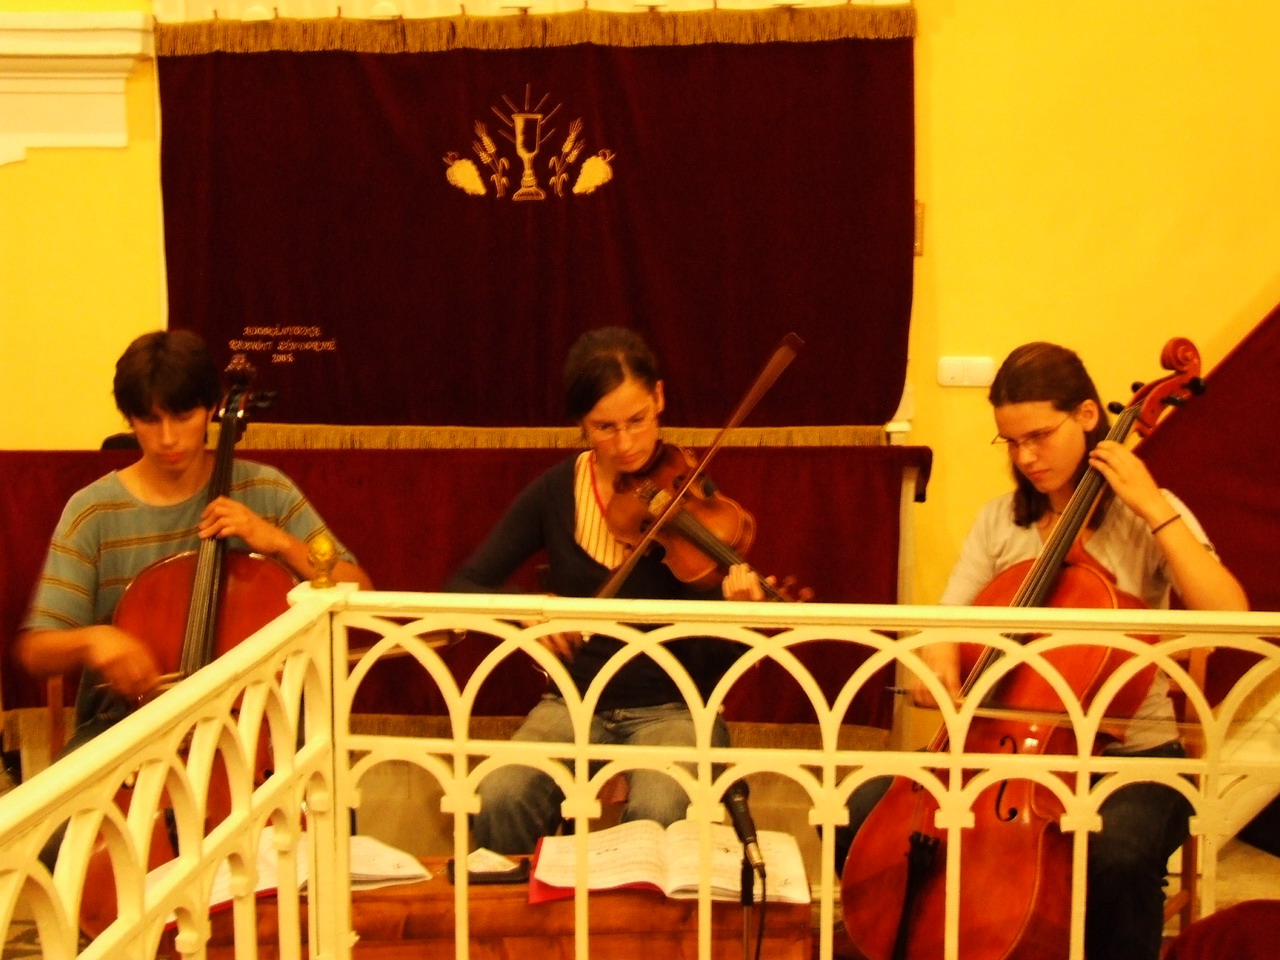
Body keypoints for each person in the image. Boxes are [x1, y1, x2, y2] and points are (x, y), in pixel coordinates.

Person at [838, 342, 1248, 960]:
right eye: (1010, 443)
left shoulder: (1148, 516)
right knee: (861, 809)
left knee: (1117, 855)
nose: (1025, 457)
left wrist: (1153, 507)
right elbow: (946, 621)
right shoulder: (1000, 521)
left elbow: (1232, 620)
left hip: (1132, 759)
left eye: (1038, 436)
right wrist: (940, 661)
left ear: (1087, 416)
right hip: (994, 752)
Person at [446, 326, 766, 854]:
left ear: (659, 398)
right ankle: (521, 906)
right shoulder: (555, 492)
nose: (626, 444)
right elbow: (462, 585)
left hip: (673, 708)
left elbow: (710, 662)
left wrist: (737, 618)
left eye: (637, 421)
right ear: (581, 424)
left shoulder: (689, 494)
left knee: (659, 812)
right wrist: (522, 607)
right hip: (574, 700)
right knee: (501, 794)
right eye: (604, 427)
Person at [17, 330, 373, 759]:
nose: (168, 438)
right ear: (130, 420)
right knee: (69, 805)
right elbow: (37, 650)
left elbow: (360, 592)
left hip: (258, 729)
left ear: (210, 410)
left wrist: (278, 542)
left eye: (183, 416)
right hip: (125, 730)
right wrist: (93, 640)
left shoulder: (267, 490)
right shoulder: (93, 511)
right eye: (150, 420)